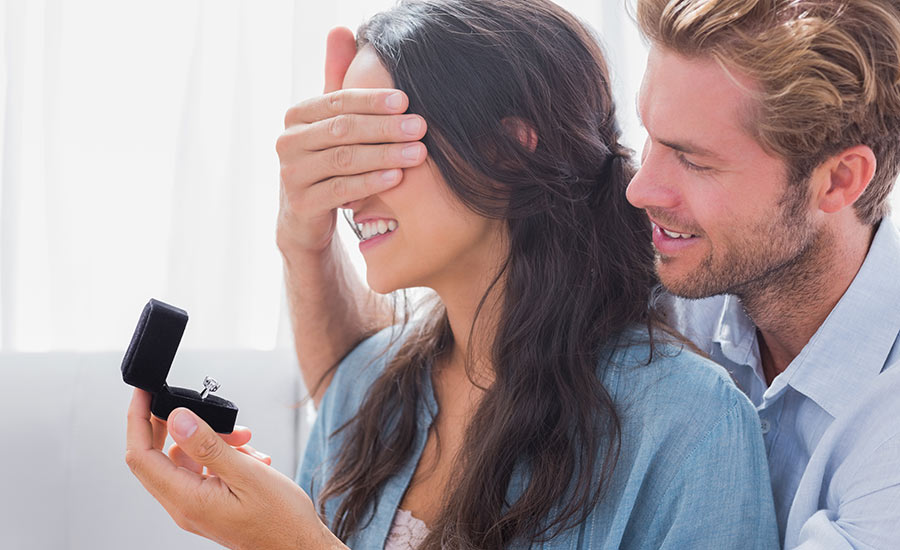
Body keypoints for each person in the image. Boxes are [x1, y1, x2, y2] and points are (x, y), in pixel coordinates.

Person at [126, 1, 778, 549]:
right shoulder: (362, 388)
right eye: (337, 152)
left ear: (508, 145)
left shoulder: (690, 426)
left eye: (376, 145)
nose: (346, 191)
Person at [274, 0, 900, 548]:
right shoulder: (680, 274)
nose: (640, 188)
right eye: (650, 137)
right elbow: (361, 389)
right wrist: (305, 243)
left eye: (693, 159)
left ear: (839, 181)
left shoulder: (722, 415)